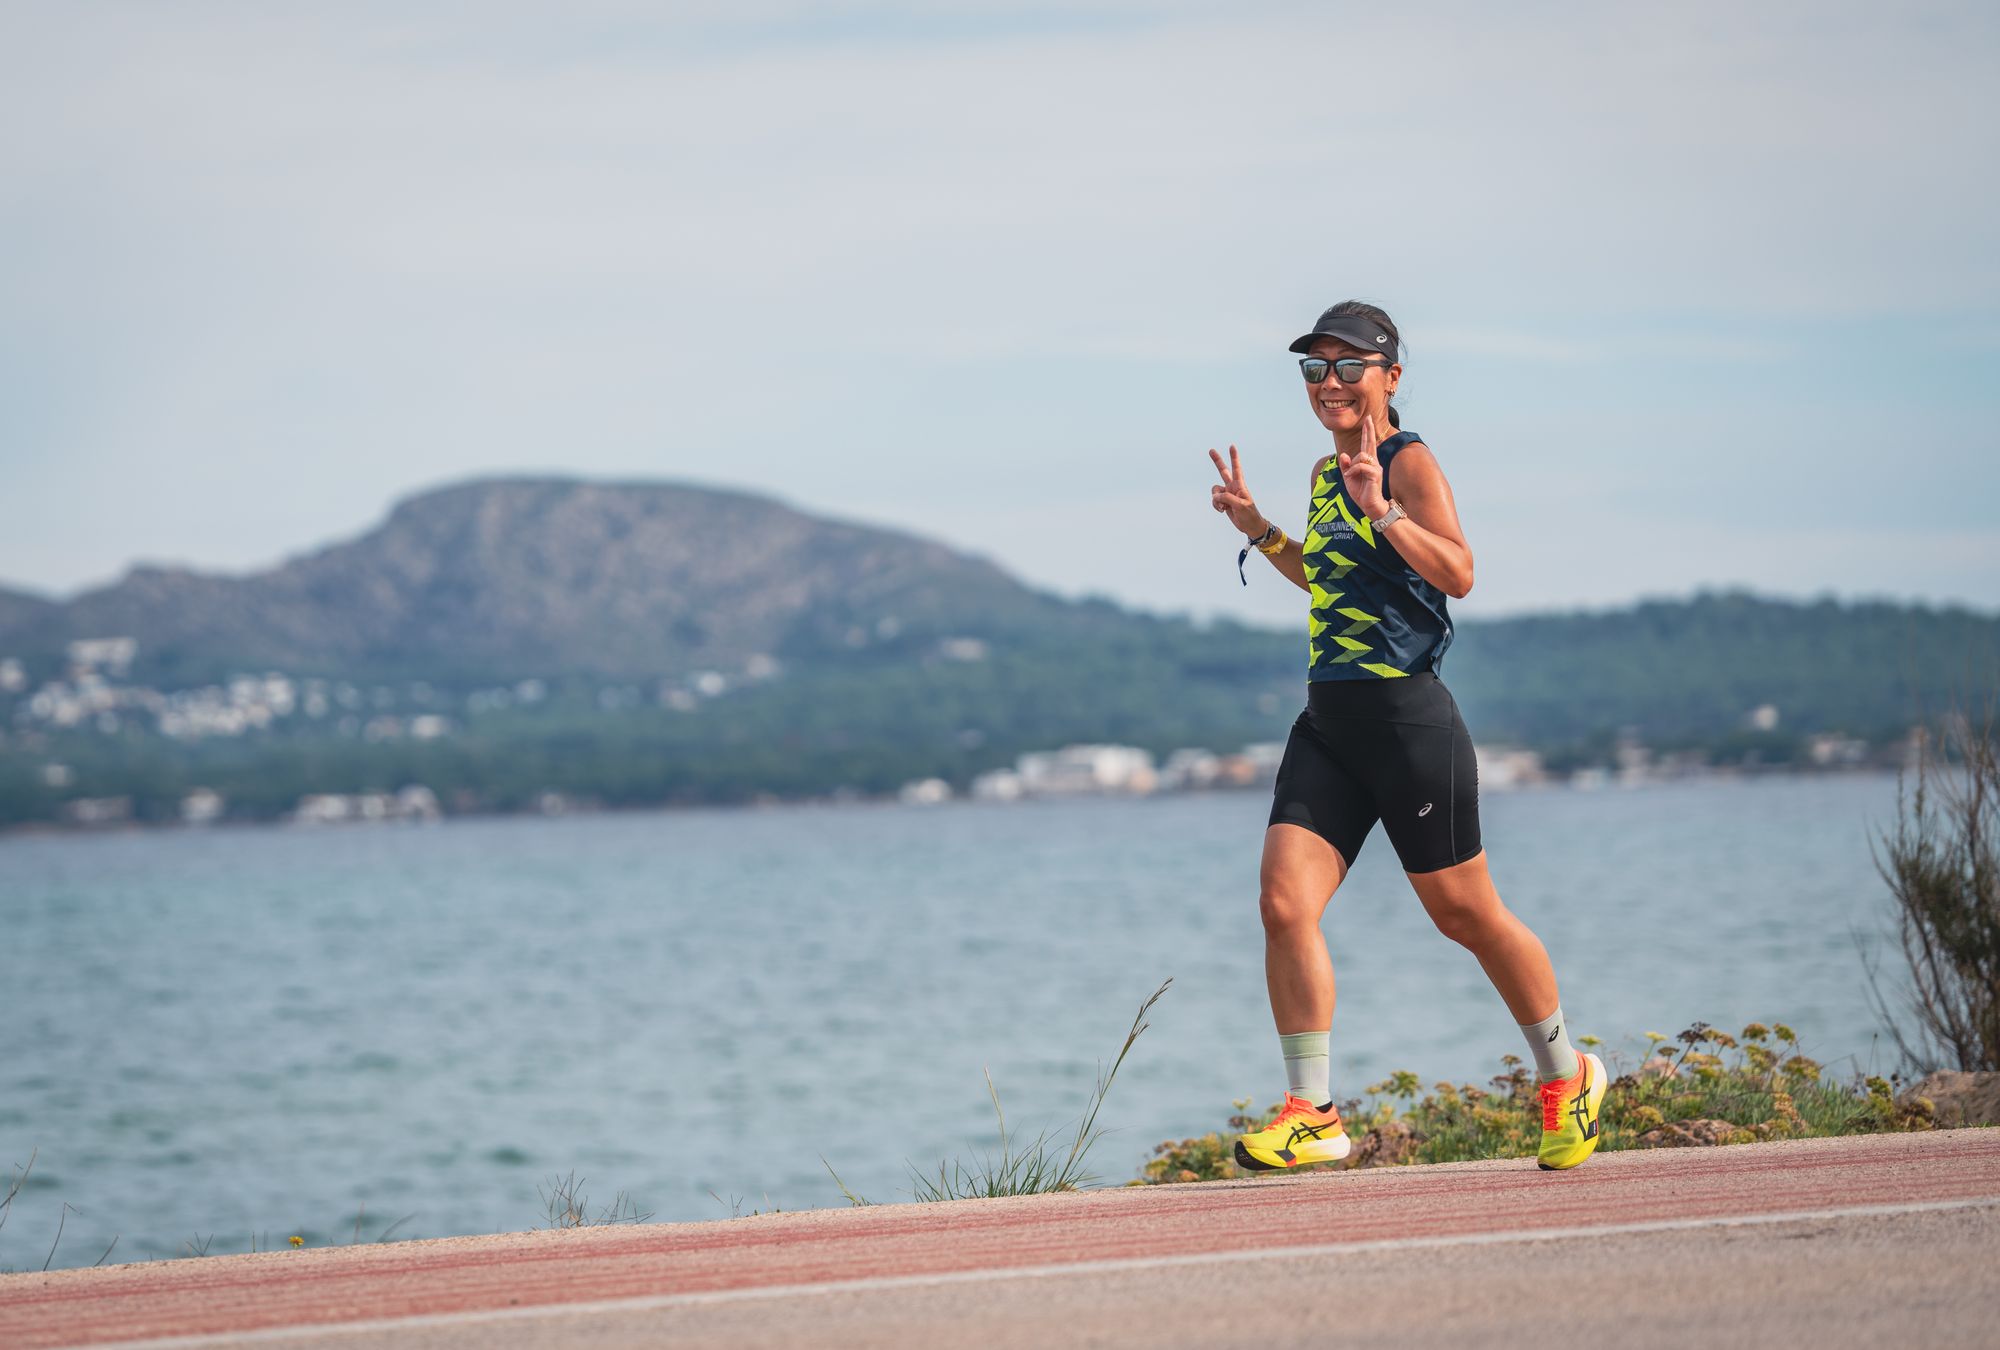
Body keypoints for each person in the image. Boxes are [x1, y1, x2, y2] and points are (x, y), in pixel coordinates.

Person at [1208, 300, 1606, 1172]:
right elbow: (1329, 578)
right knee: (1283, 905)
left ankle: (1566, 1072)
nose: (1331, 384)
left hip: (1407, 721)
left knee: (1466, 916)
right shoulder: (1326, 471)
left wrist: (1384, 508)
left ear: (1390, 374)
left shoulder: (1407, 460)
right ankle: (1313, 1113)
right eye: (1316, 368)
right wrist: (1261, 529)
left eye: (1349, 366)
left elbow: (1459, 572)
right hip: (1329, 721)